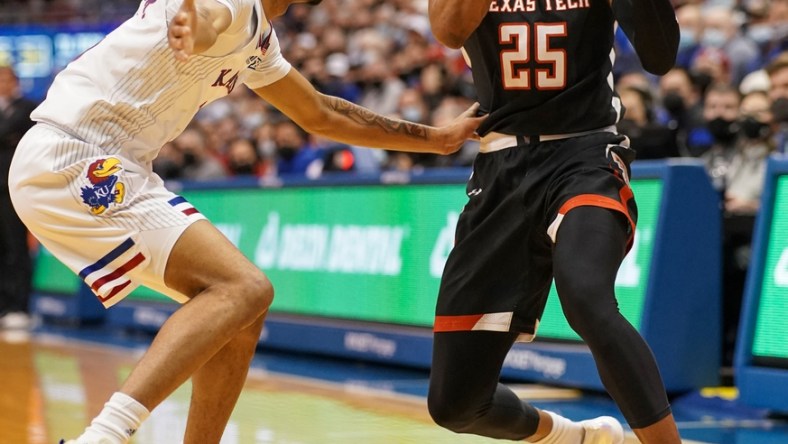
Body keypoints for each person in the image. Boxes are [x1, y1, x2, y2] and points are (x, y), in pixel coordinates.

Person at [7, 0, 483, 443]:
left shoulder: (259, 39)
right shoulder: (231, 7)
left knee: (242, 315)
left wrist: (436, 139)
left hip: (103, 162)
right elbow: (210, 20)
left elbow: (318, 112)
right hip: (79, 155)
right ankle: (104, 437)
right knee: (244, 288)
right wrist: (195, 26)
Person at [426, 0, 683, 441]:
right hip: (501, 167)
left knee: (586, 296)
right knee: (455, 405)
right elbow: (449, 31)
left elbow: (660, 56)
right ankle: (575, 437)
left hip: (584, 154)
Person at [0, 65, 37, 330]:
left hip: (14, 188)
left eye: (6, 78)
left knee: (16, 248)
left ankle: (19, 306)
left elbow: (11, 132)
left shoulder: (27, 108)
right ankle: (3, 305)